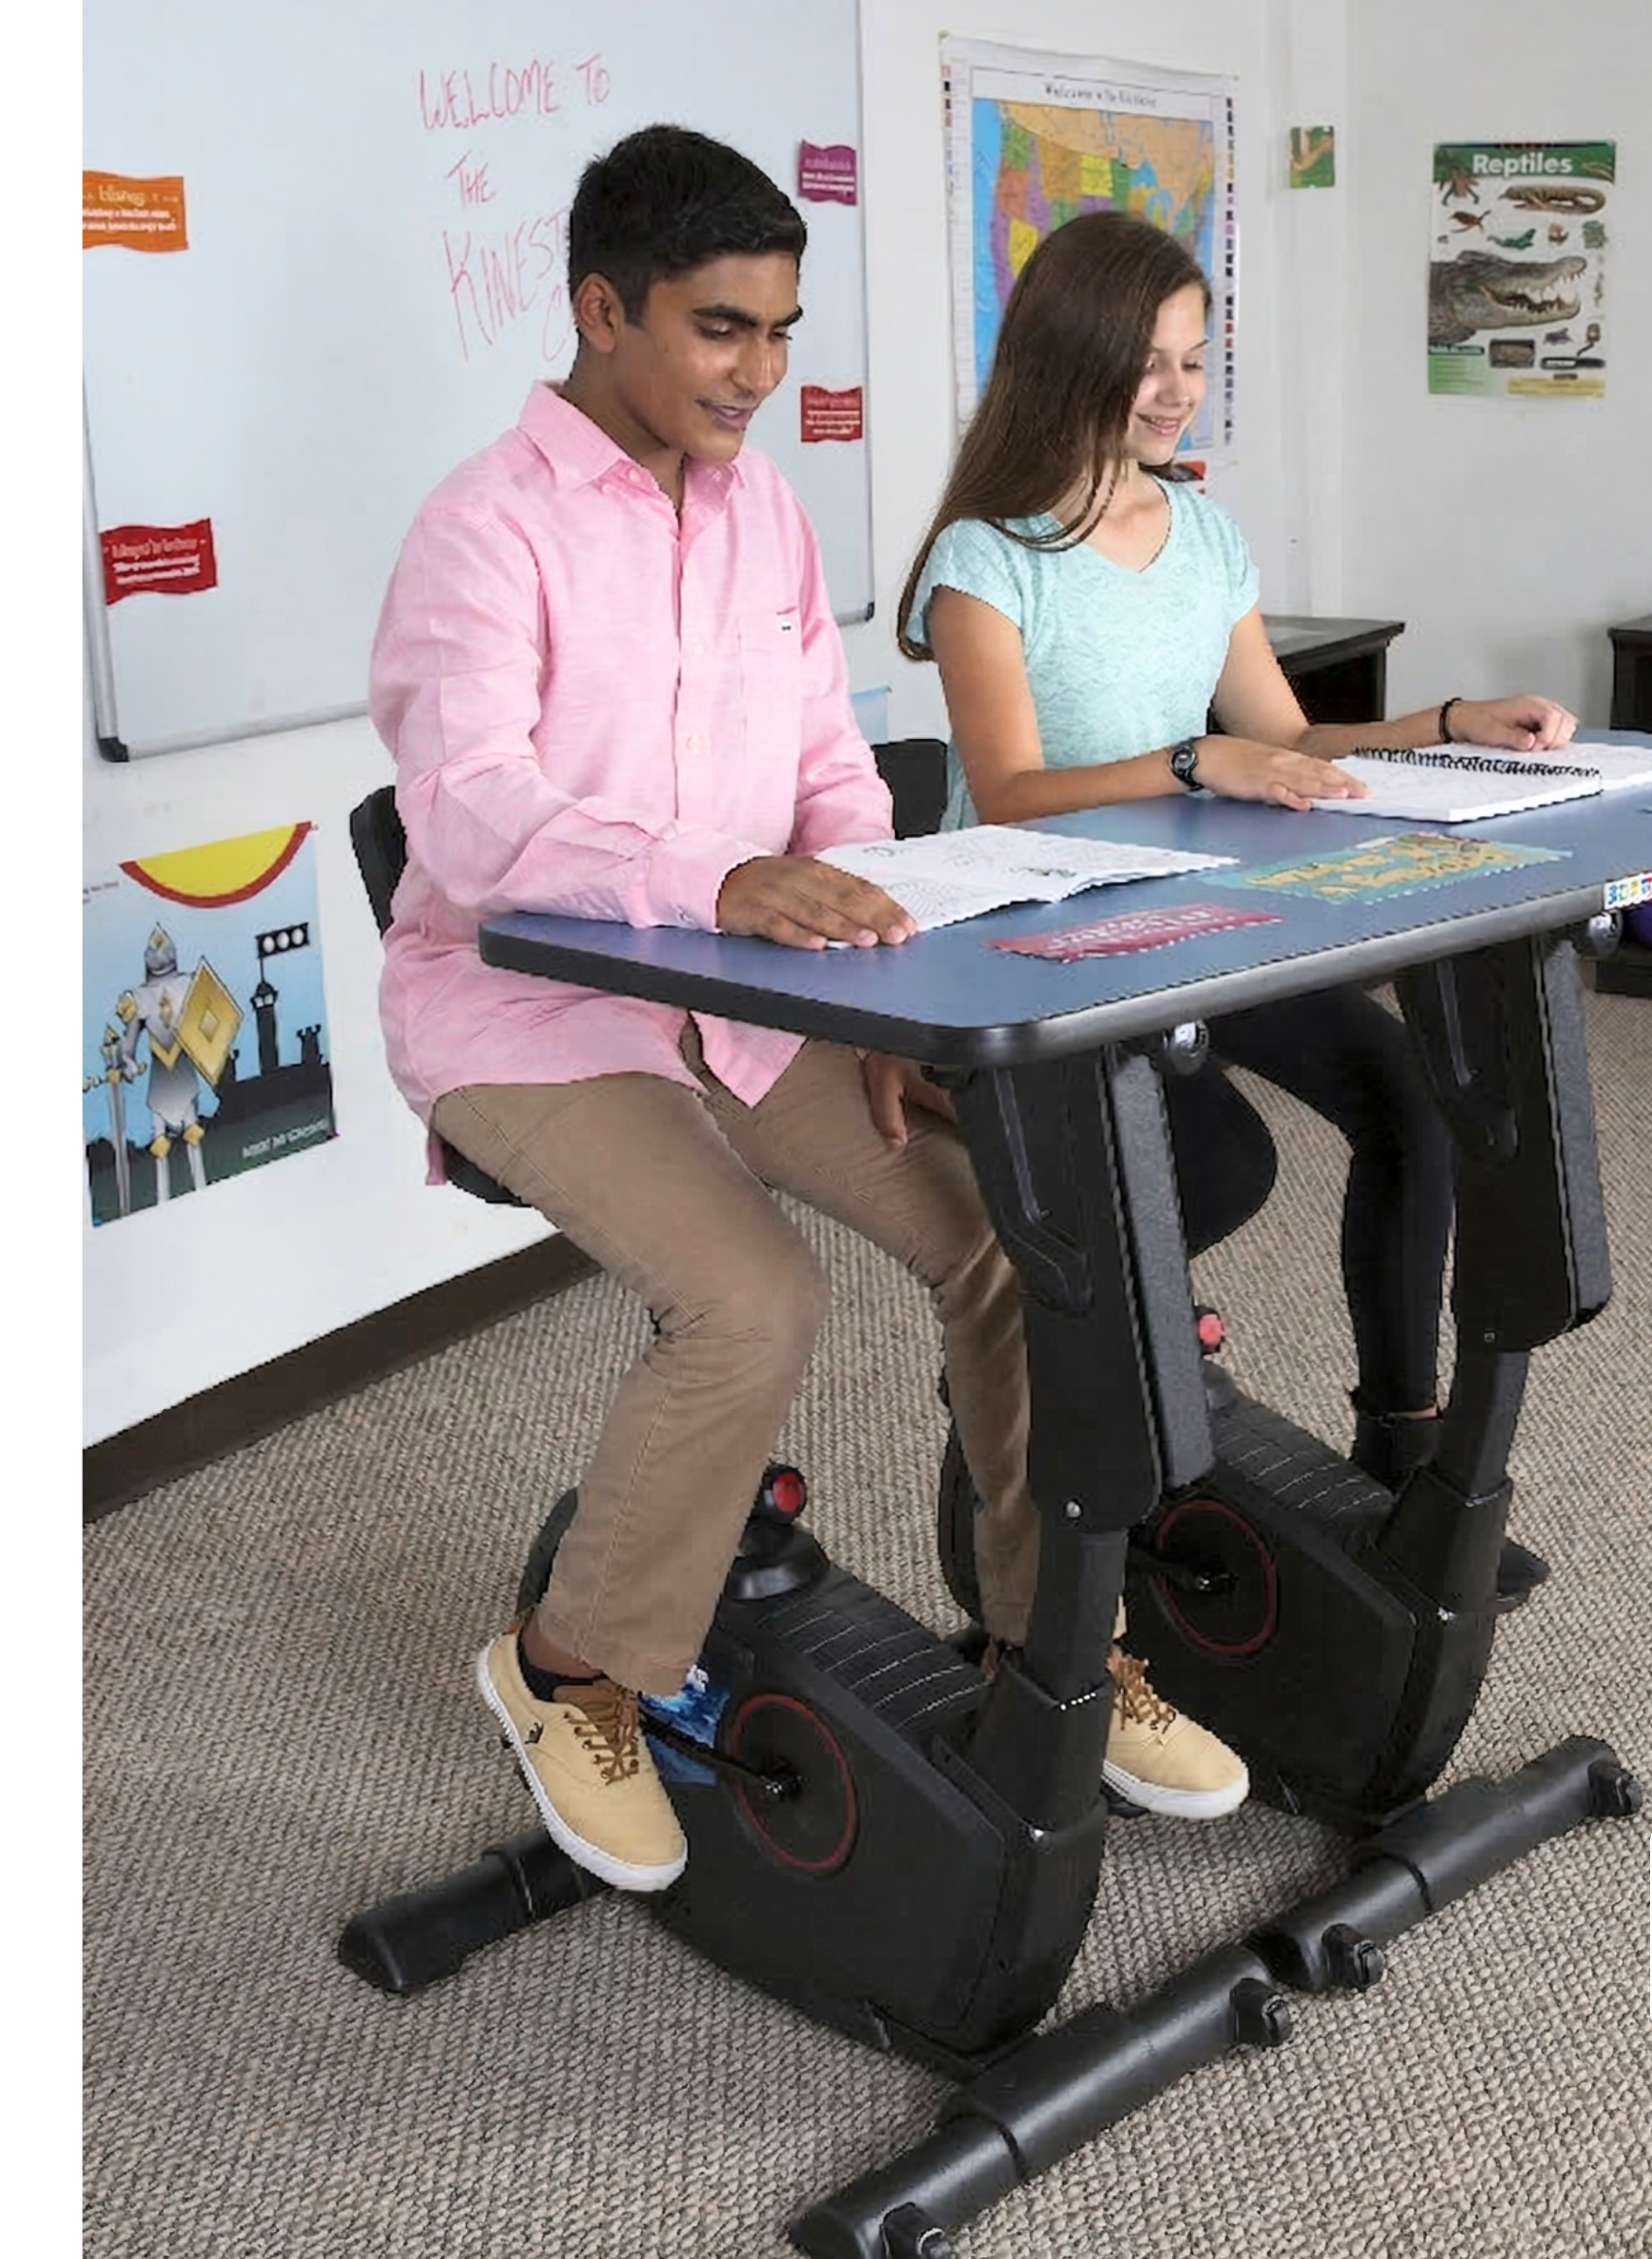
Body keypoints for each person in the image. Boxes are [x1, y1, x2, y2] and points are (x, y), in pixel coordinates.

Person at [369, 127, 1249, 1892]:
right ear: (599, 310)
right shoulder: (483, 531)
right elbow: (469, 819)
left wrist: (884, 964)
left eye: (778, 331)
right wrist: (711, 881)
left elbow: (830, 774)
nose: (758, 374)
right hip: (526, 1013)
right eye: (718, 331)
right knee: (750, 1300)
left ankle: (1040, 1645)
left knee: (1010, 1234)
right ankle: (568, 1668)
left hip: (748, 993)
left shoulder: (762, 510)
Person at [897, 210, 1574, 1592]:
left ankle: (1400, 1459)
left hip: (1199, 911)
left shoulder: (1201, 536)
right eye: (1144, 362)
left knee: (1409, 1104)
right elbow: (1010, 787)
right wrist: (1200, 759)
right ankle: (1038, 1411)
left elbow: (1288, 730)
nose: (1174, 390)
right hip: (1047, 932)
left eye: (1193, 362)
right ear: (1065, 359)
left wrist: (1452, 719)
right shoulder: (988, 557)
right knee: (1218, 1170)